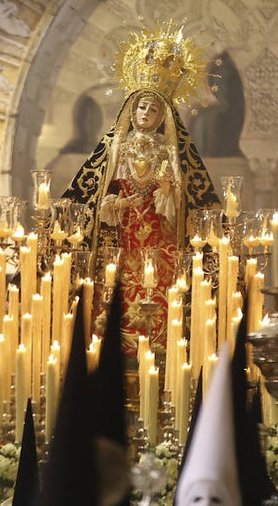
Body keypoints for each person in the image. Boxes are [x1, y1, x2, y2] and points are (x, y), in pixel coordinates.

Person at [63, 25, 220, 358]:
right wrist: (117, 203)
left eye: (152, 109)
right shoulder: (115, 150)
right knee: (119, 289)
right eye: (140, 108)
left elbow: (182, 205)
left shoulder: (169, 152)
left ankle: (160, 351)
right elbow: (98, 196)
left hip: (159, 241)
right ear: (131, 110)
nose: (144, 114)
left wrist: (167, 192)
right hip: (124, 237)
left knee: (158, 293)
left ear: (163, 115)